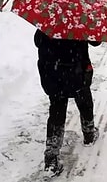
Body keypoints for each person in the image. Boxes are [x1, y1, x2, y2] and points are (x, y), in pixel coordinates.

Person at [34, 29, 101, 176]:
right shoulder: (82, 19)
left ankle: (51, 158)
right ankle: (89, 133)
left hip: (53, 72)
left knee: (57, 110)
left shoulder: (50, 19)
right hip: (76, 70)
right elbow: (96, 41)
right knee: (84, 100)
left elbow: (37, 42)